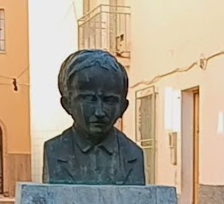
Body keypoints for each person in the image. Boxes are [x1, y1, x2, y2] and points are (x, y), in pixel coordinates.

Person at [42, 49, 146, 185]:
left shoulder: (133, 155)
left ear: (123, 107)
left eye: (109, 100)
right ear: (67, 104)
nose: (99, 112)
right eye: (89, 99)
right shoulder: (54, 150)